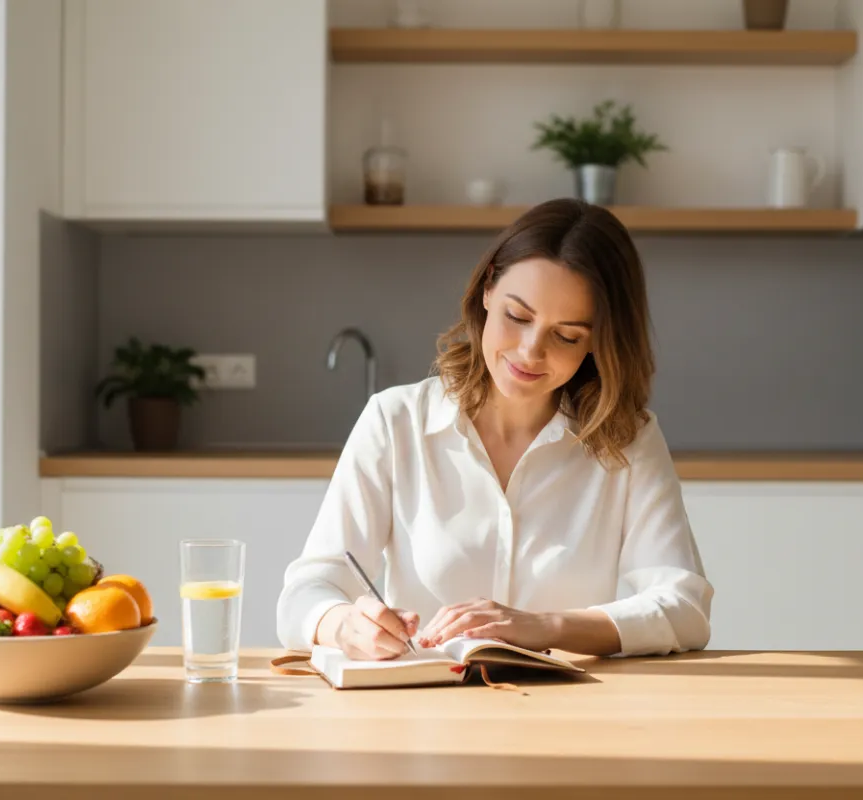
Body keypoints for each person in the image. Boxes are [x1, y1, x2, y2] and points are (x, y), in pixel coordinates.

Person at [276, 198, 712, 660]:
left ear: (597, 342)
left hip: (573, 720)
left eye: (566, 336)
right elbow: (305, 593)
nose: (529, 351)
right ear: (488, 291)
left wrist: (545, 627)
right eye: (518, 317)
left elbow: (684, 609)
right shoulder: (396, 421)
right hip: (421, 717)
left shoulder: (628, 439)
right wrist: (343, 625)